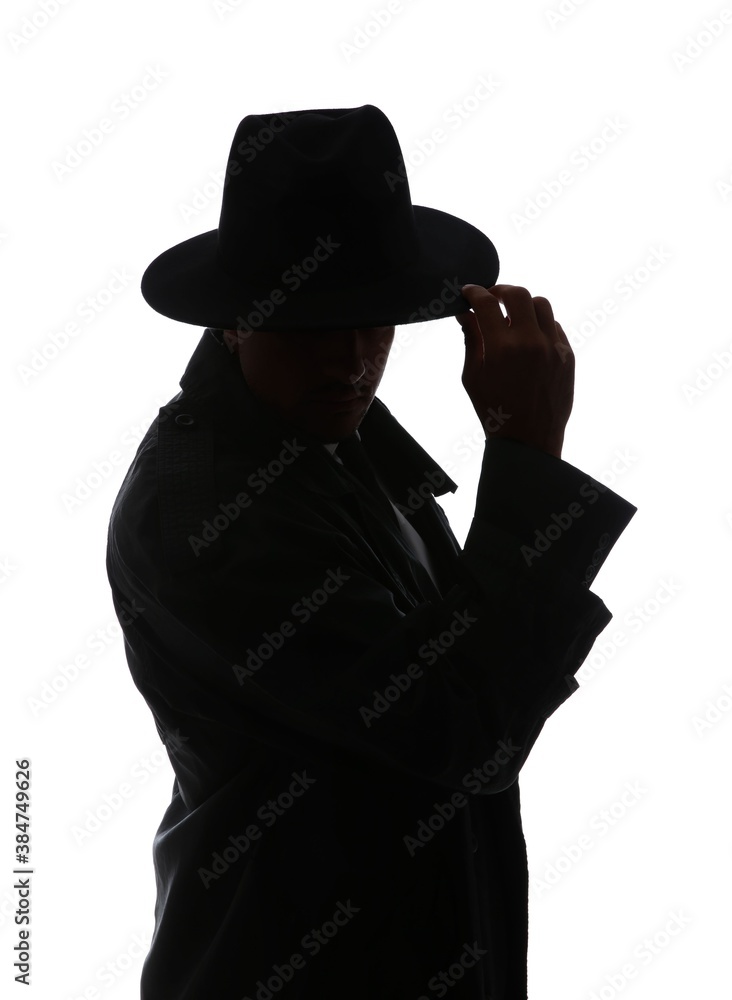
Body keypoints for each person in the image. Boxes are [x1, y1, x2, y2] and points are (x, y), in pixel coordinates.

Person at [105, 104, 637, 999]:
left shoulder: (326, 436)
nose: (351, 361)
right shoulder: (208, 514)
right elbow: (465, 731)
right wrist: (527, 457)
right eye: (311, 326)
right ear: (235, 321)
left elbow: (459, 676)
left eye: (372, 320)